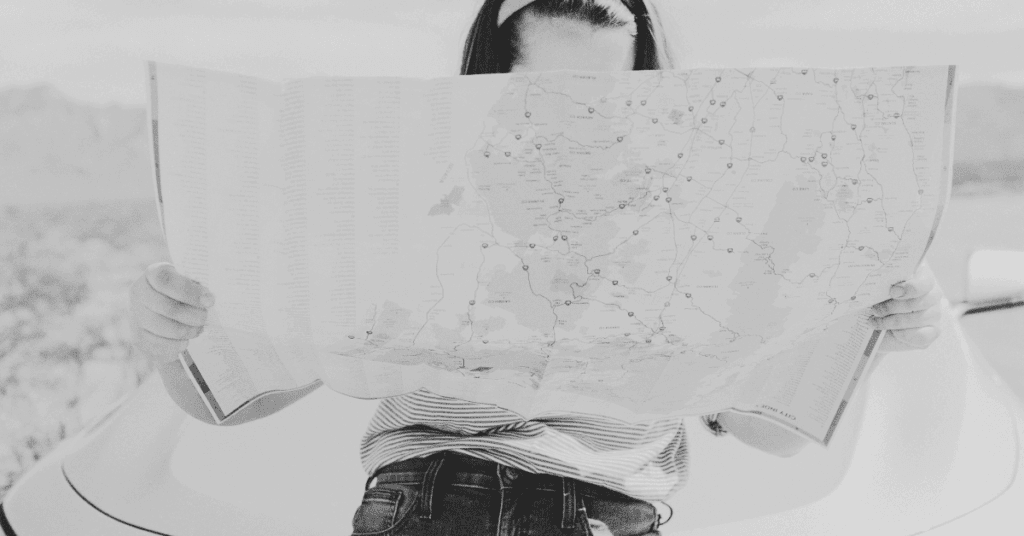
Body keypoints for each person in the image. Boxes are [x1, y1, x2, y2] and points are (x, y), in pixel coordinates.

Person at [127, 1, 944, 534]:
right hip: (426, 500)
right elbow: (231, 405)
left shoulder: (706, 218)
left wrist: (865, 334)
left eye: (605, 95)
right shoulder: (405, 197)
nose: (571, 117)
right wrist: (173, 338)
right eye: (540, 90)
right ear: (484, 86)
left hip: (608, 511)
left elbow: (772, 433)